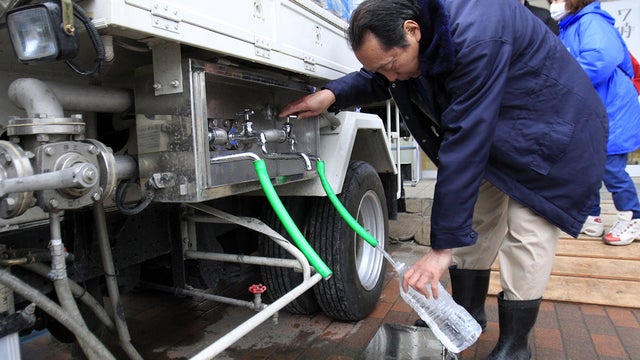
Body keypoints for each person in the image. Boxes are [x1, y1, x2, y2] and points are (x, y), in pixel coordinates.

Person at [279, 0, 607, 358]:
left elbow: (465, 140)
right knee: (476, 220)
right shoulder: (418, 32)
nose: (389, 78)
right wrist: (331, 95)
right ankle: (468, 313)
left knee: (526, 233)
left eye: (390, 66)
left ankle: (516, 345)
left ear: (412, 31)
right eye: (381, 69)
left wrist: (440, 250)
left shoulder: (477, 32)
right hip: (498, 131)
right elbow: (381, 74)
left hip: (552, 130)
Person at [553, 0, 640, 246]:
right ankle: (591, 218)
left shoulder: (592, 21)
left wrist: (559, 80)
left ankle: (633, 217)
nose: (555, 3)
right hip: (596, 110)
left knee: (610, 169)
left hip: (612, 110)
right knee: (586, 167)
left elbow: (600, 59)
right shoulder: (572, 25)